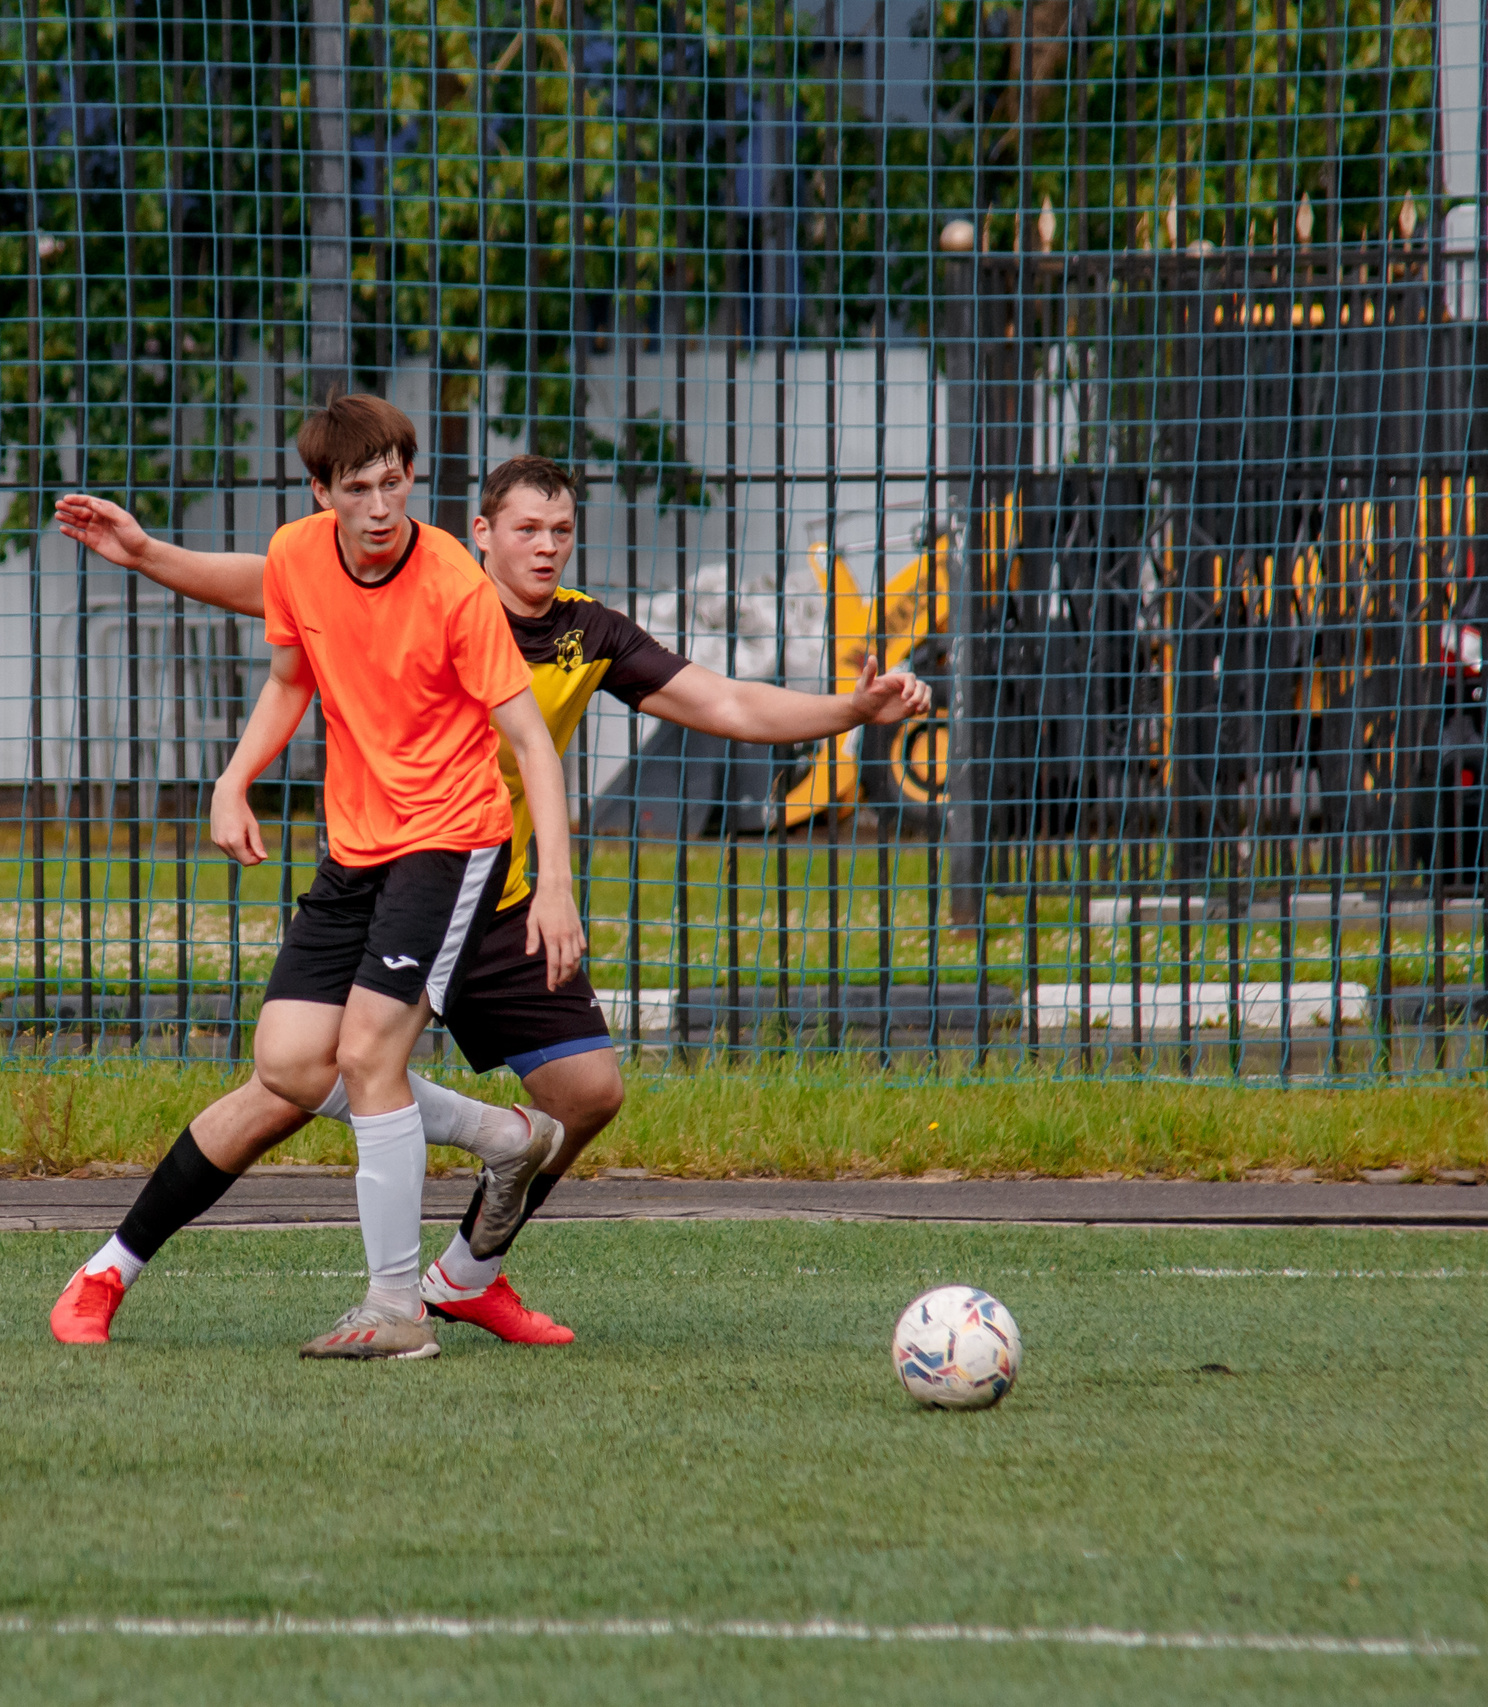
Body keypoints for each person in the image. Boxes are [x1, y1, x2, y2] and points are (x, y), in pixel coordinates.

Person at [50, 453, 933, 1345]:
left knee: (586, 1092)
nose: (546, 548)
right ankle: (109, 1269)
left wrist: (849, 713)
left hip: (503, 896)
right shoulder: (427, 584)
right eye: (526, 529)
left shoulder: (591, 634)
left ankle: (465, 1276)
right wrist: (149, 552)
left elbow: (730, 703)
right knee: (286, 1084)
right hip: (412, 875)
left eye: (561, 531)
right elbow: (271, 579)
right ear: (482, 533)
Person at [56, 397, 587, 1363]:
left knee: (370, 1055)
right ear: (321, 492)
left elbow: (531, 749)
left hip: (454, 838)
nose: (382, 506)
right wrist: (233, 777)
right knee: (294, 1064)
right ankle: (506, 1137)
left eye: (396, 483)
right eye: (358, 489)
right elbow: (293, 678)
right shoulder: (299, 555)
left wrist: (554, 883)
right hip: (359, 846)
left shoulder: (455, 587)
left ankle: (396, 1309)